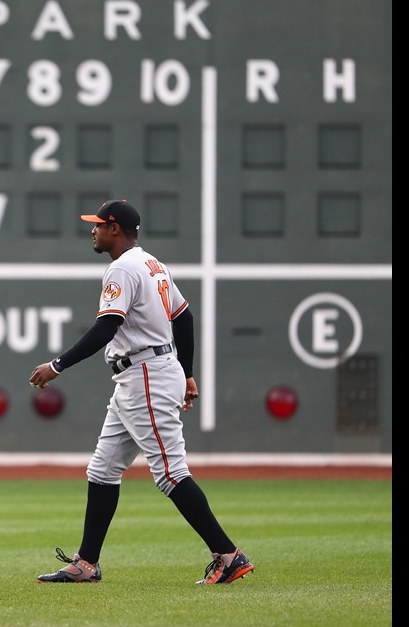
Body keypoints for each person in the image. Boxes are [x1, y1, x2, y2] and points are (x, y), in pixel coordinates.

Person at [28, 199, 254, 586]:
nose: (94, 230)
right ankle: (87, 563)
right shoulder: (153, 264)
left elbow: (106, 327)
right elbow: (183, 315)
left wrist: (57, 364)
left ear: (115, 229)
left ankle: (228, 555)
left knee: (170, 473)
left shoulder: (122, 268)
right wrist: (186, 374)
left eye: (99, 225)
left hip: (145, 374)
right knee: (102, 470)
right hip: (142, 374)